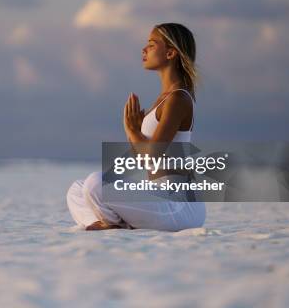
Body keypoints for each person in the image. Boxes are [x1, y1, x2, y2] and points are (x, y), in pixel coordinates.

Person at [66, 23, 206, 231]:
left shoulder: (178, 98)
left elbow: (153, 157)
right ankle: (113, 223)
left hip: (179, 206)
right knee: (77, 189)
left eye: (151, 44)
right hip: (159, 197)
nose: (144, 49)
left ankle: (113, 224)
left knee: (95, 184)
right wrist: (138, 133)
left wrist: (132, 131)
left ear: (170, 53)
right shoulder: (165, 98)